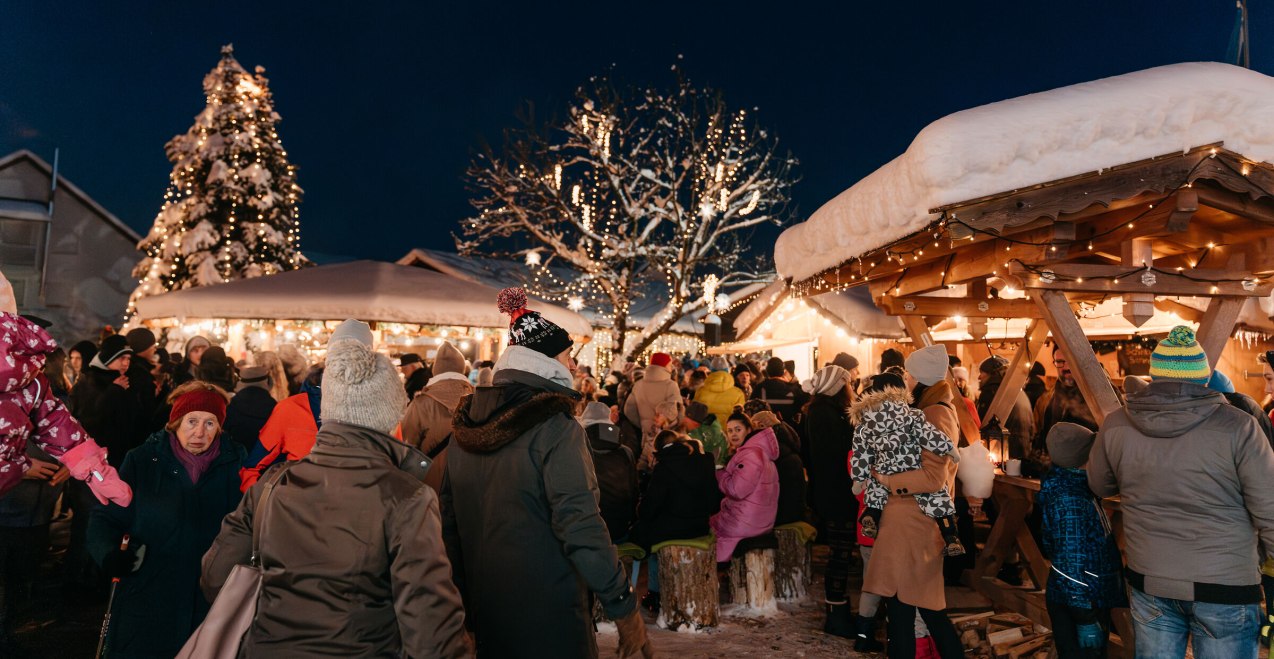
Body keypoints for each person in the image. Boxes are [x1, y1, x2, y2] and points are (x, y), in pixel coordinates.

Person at [202, 320, 470, 657]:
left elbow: (216, 576)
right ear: (390, 417)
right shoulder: (407, 497)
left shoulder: (272, 485)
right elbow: (431, 629)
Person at [444, 288, 649, 658]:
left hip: (486, 611)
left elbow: (450, 529)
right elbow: (581, 524)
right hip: (551, 615)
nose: (573, 367)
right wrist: (622, 604)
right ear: (546, 361)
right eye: (568, 356)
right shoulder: (556, 429)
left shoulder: (465, 428)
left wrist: (462, 609)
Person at [1088, 326, 1274, 659]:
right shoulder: (1239, 426)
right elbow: (1270, 508)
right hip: (1225, 584)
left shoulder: (1116, 424)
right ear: (1203, 377)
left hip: (1151, 578)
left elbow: (1100, 485)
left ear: (1155, 375)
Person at [88, 382, 244, 658]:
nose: (200, 432)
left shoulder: (236, 463)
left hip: (210, 596)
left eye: (210, 423)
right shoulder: (143, 460)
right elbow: (105, 518)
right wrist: (109, 553)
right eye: (192, 421)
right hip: (149, 592)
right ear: (176, 422)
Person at [850, 360, 964, 557]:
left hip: (885, 468)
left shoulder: (864, 426)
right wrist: (951, 450)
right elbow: (929, 436)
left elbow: (861, 454)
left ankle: (871, 516)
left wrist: (858, 480)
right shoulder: (914, 416)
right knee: (938, 500)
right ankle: (951, 536)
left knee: (876, 491)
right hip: (910, 466)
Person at [1038, 423, 1126, 659]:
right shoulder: (1071, 500)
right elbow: (1070, 563)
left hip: (1081, 596)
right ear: (1083, 456)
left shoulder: (1074, 486)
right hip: (1080, 601)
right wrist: (1084, 618)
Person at [630, 430, 720, 614]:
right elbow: (715, 503)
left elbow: (648, 509)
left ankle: (648, 594)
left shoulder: (665, 466)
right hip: (700, 527)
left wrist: (641, 508)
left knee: (638, 537)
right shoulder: (704, 462)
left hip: (672, 529)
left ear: (659, 450)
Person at [802, 364, 858, 636]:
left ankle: (839, 610)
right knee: (840, 554)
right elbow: (837, 453)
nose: (851, 388)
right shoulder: (826, 414)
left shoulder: (820, 411)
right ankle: (836, 615)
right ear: (837, 387)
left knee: (841, 553)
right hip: (837, 493)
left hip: (830, 491)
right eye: (847, 383)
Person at [400, 341, 473, 492]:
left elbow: (406, 448)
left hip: (431, 488)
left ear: (436, 370)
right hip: (470, 487)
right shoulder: (479, 401)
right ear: (462, 369)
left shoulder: (421, 404)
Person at [238, 363, 323, 491]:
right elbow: (251, 468)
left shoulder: (357, 411)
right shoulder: (291, 409)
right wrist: (259, 500)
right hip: (298, 499)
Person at [710, 423, 780, 563]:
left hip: (744, 525)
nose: (734, 434)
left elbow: (736, 490)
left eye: (738, 429)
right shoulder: (765, 456)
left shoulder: (751, 455)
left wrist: (720, 473)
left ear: (748, 431)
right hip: (762, 523)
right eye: (730, 430)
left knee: (705, 527)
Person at [69, 335, 139, 468]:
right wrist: (114, 391)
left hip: (122, 455)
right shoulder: (90, 381)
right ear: (108, 357)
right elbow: (89, 418)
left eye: (128, 359)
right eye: (121, 358)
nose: (126, 363)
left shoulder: (126, 380)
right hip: (96, 457)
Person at [579, 402, 638, 543]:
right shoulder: (626, 452)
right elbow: (634, 491)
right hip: (620, 527)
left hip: (588, 529)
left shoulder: (579, 450)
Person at [623, 351, 681, 470]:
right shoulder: (671, 385)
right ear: (664, 366)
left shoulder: (638, 385)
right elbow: (676, 409)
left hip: (645, 434)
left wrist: (643, 423)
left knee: (645, 463)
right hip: (666, 435)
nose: (671, 367)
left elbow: (629, 410)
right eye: (669, 364)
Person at [1034, 344, 1099, 450]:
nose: (1066, 367)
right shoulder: (1046, 399)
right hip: (1054, 458)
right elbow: (1040, 435)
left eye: (1070, 361)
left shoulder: (1099, 393)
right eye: (1060, 362)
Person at [750, 411, 806, 526]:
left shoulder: (774, 453)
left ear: (761, 426)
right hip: (793, 514)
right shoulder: (787, 447)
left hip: (780, 518)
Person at [975, 356, 1036, 459]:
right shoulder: (1019, 391)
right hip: (1022, 452)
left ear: (991, 373)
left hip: (1003, 453)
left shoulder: (991, 391)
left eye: (982, 372)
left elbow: (982, 425)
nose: (979, 377)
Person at [222, 365, 278, 450]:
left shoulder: (230, 406)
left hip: (238, 455)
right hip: (268, 455)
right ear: (268, 383)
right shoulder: (275, 407)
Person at [124, 327, 162, 438]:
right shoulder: (139, 372)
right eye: (153, 346)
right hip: (138, 433)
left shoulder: (131, 366)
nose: (155, 349)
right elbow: (146, 408)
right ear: (143, 347)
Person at [752, 357, 808, 425]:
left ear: (767, 371)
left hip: (765, 427)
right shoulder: (794, 389)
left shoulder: (758, 388)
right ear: (783, 371)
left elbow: (751, 409)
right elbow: (804, 408)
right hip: (790, 427)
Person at [682, 401, 728, 466]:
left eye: (685, 419)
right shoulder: (713, 429)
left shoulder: (697, 436)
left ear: (695, 423)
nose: (683, 421)